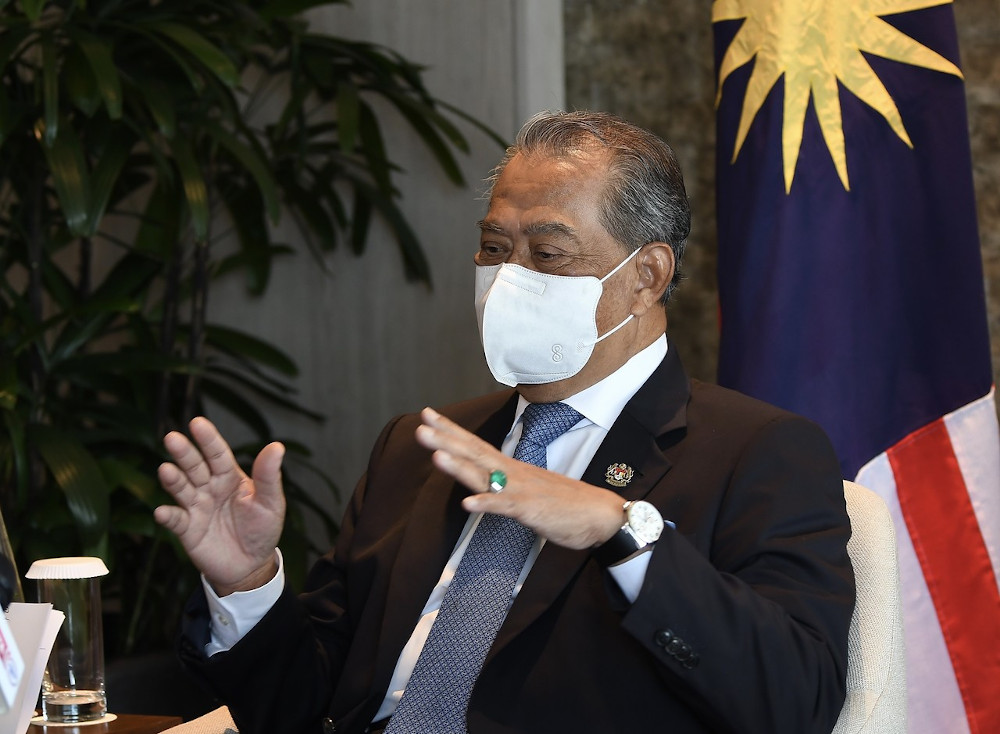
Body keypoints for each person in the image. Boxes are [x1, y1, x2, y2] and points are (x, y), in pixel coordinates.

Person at [155, 111, 855, 734]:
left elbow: (795, 701)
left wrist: (622, 533)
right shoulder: (420, 446)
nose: (509, 278)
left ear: (647, 276)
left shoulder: (757, 452)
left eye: (547, 254)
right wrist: (247, 583)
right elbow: (302, 705)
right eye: (494, 249)